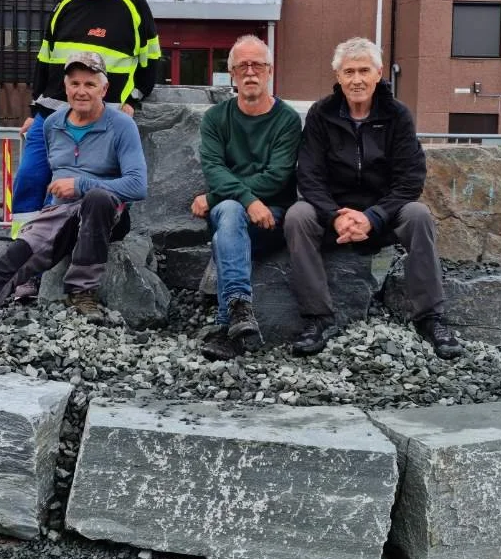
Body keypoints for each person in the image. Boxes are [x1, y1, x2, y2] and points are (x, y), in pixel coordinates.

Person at [0, 52, 146, 347]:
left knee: (97, 198)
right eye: (75, 83)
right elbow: (43, 178)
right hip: (60, 214)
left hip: (106, 214)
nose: (81, 91)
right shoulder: (52, 124)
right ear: (65, 86)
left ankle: (82, 291)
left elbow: (138, 185)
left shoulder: (122, 126)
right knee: (17, 254)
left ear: (104, 89)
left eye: (90, 84)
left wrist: (80, 184)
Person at [284, 37, 460, 360]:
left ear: (379, 73)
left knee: (419, 215)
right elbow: (308, 176)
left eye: (364, 70)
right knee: (297, 216)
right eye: (348, 72)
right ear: (338, 77)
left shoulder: (397, 115)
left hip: (384, 214)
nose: (357, 80)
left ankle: (430, 318)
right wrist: (336, 216)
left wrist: (372, 217)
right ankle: (317, 318)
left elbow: (411, 179)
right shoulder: (321, 115)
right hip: (333, 217)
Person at [9, 0, 161, 250]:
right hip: (51, 114)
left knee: (87, 188)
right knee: (29, 179)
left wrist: (134, 99)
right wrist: (32, 110)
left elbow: (152, 60)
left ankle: (75, 248)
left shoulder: (133, 5)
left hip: (101, 118)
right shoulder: (65, 5)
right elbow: (44, 61)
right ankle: (22, 250)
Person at [190, 35, 302, 360]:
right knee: (228, 210)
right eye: (242, 66)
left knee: (224, 205)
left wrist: (215, 197)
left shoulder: (287, 120)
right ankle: (240, 307)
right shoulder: (215, 119)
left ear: (269, 71)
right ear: (233, 75)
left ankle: (228, 325)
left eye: (257, 66)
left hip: (273, 217)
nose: (250, 72)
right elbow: (213, 169)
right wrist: (245, 200)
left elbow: (277, 175)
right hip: (233, 217)